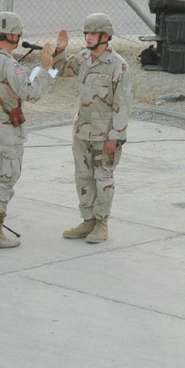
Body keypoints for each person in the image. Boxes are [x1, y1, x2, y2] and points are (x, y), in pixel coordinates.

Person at [0, 11, 58, 249]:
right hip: (5, 134)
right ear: (12, 35)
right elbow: (31, 93)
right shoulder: (9, 64)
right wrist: (47, 68)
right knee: (3, 182)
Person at [52, 13, 132, 244]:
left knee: (103, 178)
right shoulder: (84, 58)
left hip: (104, 134)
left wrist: (115, 137)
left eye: (93, 33)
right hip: (82, 131)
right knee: (83, 177)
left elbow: (123, 104)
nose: (88, 37)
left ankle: (101, 223)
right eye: (86, 33)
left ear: (105, 36)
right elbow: (60, 71)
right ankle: (87, 220)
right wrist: (59, 51)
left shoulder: (118, 66)